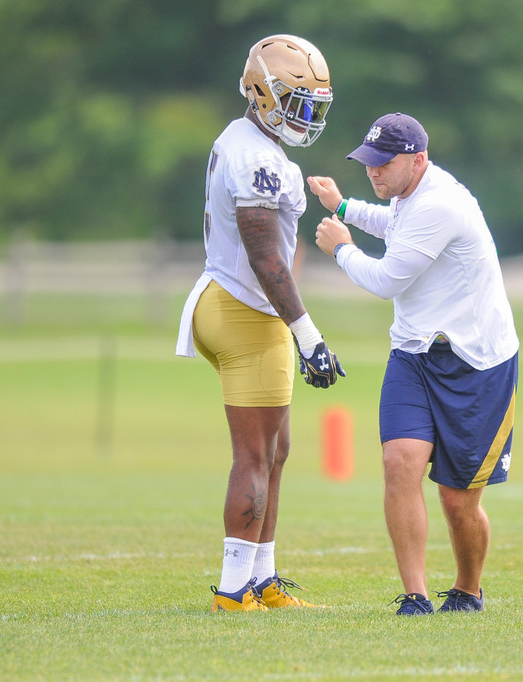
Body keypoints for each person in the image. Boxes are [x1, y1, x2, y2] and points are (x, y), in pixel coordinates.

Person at [306, 113, 519, 615]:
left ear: (417, 161)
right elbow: (392, 222)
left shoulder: (440, 205)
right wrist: (343, 205)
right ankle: (416, 595)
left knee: (456, 500)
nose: (373, 172)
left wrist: (341, 250)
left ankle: (468, 589)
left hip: (477, 363)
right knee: (398, 463)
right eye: (368, 164)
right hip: (413, 354)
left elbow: (385, 281)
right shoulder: (407, 197)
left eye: (383, 164)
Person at [175, 34, 345, 612]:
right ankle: (231, 590)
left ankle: (262, 580)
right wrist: (309, 334)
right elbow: (266, 257)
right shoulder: (256, 158)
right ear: (263, 94)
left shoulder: (249, 142)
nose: (306, 116)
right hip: (246, 309)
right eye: (298, 102)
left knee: (276, 451)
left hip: (233, 301)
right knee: (255, 455)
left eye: (312, 106)